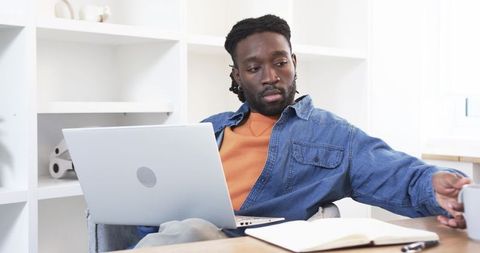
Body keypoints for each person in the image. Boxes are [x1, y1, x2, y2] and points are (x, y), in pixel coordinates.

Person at [130, 14, 470, 249]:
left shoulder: (331, 135)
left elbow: (398, 175)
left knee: (188, 230)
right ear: (237, 76)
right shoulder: (208, 130)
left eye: (280, 62)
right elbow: (165, 202)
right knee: (179, 228)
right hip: (194, 239)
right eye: (254, 67)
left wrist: (435, 184)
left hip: (265, 242)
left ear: (294, 62)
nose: (270, 76)